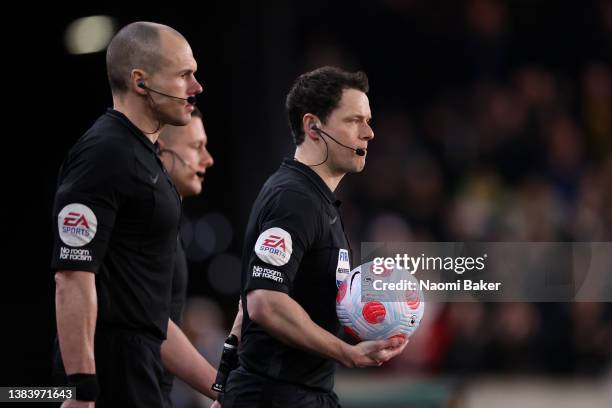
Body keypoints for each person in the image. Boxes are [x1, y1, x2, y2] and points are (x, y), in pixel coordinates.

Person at [52, 22, 217, 408]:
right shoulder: (104, 153)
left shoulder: (145, 159)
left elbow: (151, 319)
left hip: (141, 383)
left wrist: (223, 387)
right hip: (108, 384)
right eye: (183, 75)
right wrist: (81, 388)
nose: (196, 87)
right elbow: (72, 275)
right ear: (141, 82)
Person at [221, 66, 408, 408]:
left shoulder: (316, 200)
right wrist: (347, 354)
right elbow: (263, 302)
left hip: (303, 393)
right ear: (313, 126)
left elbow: (248, 303)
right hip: (276, 395)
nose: (369, 133)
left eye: (368, 120)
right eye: (354, 120)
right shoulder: (294, 199)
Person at [157, 106, 214, 407]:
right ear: (161, 151)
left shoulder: (168, 222)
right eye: (196, 147)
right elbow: (152, 323)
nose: (208, 159)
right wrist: (223, 389)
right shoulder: (145, 220)